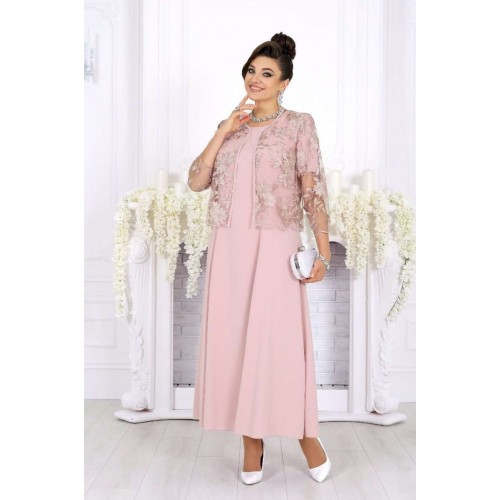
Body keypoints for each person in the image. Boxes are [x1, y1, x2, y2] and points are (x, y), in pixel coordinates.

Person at [187, 32, 332, 484]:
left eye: (267, 73)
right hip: (229, 244)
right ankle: (251, 442)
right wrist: (223, 131)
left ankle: (306, 435)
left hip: (275, 242)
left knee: (278, 342)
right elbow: (196, 181)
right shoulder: (231, 126)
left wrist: (324, 251)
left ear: (284, 83)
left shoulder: (299, 124)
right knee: (234, 342)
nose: (256, 79)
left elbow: (313, 187)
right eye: (251, 71)